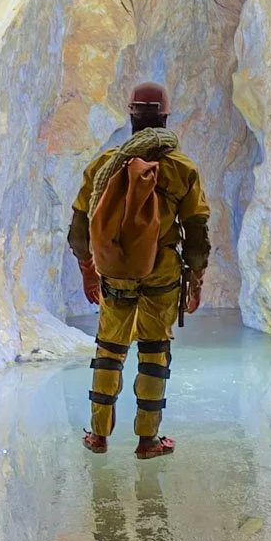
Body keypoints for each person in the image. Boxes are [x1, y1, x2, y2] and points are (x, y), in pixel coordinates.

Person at [67, 81, 211, 458]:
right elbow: (196, 234)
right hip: (161, 273)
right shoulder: (181, 169)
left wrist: (88, 270)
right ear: (164, 117)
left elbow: (80, 227)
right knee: (153, 350)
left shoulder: (104, 165)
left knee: (109, 350)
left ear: (130, 115)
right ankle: (148, 441)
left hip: (115, 272)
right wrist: (195, 282)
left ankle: (99, 436)